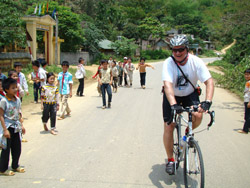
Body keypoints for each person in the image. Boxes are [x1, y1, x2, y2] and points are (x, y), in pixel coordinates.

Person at [162, 35, 214, 175]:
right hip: (172, 94)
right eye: (174, 50)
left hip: (190, 93)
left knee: (198, 114)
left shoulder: (196, 61)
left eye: (181, 50)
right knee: (169, 126)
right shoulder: (168, 63)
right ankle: (171, 160)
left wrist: (207, 101)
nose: (178, 53)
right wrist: (173, 104)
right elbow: (167, 85)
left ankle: (187, 134)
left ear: (187, 49)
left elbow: (209, 82)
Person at [0, 78, 26, 176]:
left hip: (16, 127)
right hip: (7, 127)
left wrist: (21, 125)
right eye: (13, 88)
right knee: (6, 149)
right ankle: (3, 169)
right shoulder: (4, 101)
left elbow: (19, 113)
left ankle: (15, 165)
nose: (15, 90)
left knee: (17, 147)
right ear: (6, 89)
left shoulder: (17, 100)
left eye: (16, 87)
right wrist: (5, 130)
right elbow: (1, 115)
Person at [238, 69, 250, 134]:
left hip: (248, 101)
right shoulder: (248, 82)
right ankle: (248, 127)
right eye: (245, 74)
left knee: (247, 116)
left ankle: (245, 130)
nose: (246, 76)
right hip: (247, 100)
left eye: (248, 75)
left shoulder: (249, 82)